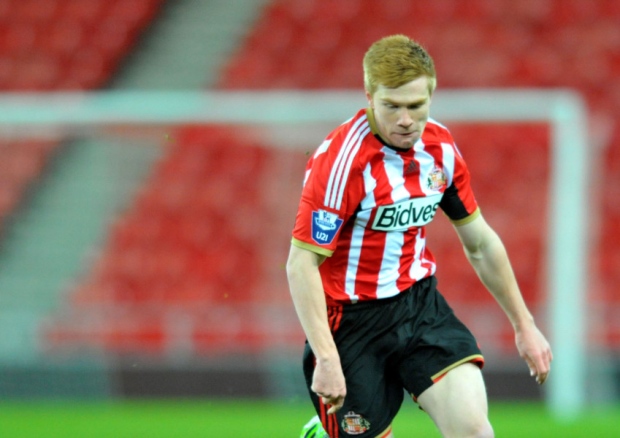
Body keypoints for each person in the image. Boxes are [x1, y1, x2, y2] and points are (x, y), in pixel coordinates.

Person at [286, 34, 553, 438]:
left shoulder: (440, 149)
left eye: (416, 106)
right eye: (392, 106)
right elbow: (301, 263)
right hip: (351, 322)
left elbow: (479, 242)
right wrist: (326, 357)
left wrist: (524, 324)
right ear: (369, 96)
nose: (406, 120)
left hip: (419, 305)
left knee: (474, 431)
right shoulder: (343, 165)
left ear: (431, 94)